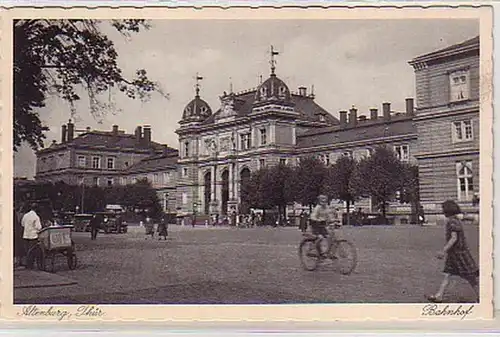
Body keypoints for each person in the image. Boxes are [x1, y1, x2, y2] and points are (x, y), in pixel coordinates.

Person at [426, 200, 479, 303]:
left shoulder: (452, 222)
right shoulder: (455, 219)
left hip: (459, 254)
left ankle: (480, 297)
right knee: (448, 275)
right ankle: (439, 296)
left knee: (470, 277)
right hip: (455, 253)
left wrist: (443, 250)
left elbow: (454, 238)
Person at [21, 203, 42, 269]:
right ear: (36, 209)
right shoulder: (36, 217)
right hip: (33, 236)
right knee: (32, 251)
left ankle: (28, 264)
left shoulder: (26, 215)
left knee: (27, 251)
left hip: (26, 235)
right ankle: (31, 265)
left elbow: (22, 224)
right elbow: (39, 227)